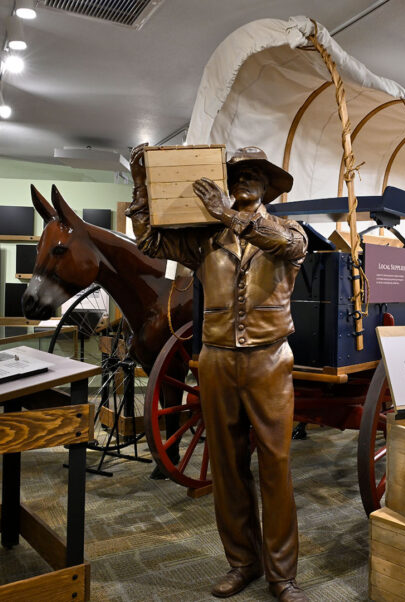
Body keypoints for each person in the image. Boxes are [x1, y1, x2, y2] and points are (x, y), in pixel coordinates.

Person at [126, 145, 309, 602]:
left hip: (269, 360)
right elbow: (149, 242)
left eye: (254, 174)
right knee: (227, 467)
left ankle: (282, 575)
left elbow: (280, 244)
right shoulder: (206, 238)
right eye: (237, 174)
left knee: (276, 465)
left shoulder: (290, 230)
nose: (245, 180)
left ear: (267, 185)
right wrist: (141, 186)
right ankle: (242, 563)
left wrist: (228, 215)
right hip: (216, 358)